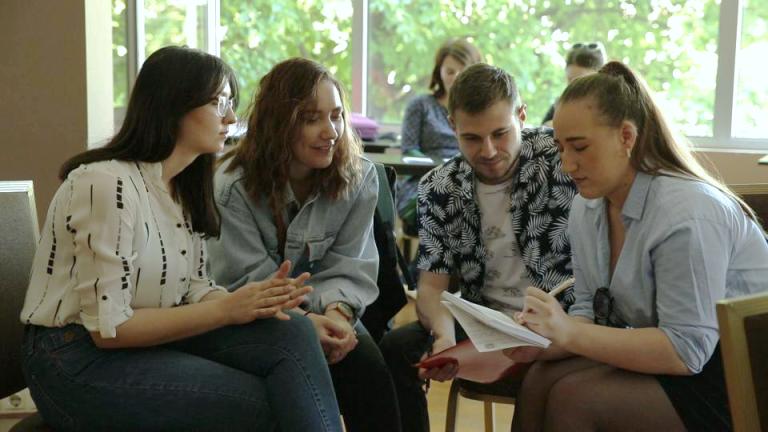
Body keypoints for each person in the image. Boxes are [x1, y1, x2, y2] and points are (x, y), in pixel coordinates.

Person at [18, 46, 342, 431]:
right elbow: (110, 329)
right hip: (73, 361)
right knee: (268, 404)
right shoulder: (104, 183)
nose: (231, 117)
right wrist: (228, 309)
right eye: (219, 102)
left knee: (293, 331)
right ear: (173, 106)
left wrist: (265, 306)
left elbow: (195, 289)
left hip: (146, 345)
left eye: (231, 104)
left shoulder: (180, 188)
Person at [507, 61, 768, 432]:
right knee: (539, 377)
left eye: (579, 147)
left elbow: (687, 350)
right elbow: (589, 311)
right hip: (681, 359)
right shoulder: (588, 204)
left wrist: (569, 333)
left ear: (626, 137)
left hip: (739, 374)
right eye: (561, 148)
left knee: (575, 398)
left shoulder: (687, 213)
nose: (567, 165)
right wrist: (544, 341)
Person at [379, 63, 578, 432]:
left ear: (521, 116)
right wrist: (443, 336)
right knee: (395, 349)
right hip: (482, 323)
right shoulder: (440, 187)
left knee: (553, 379)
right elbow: (432, 287)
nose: (488, 151)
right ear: (453, 126)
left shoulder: (562, 163)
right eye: (471, 138)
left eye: (500, 134)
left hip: (559, 323)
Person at [207, 57, 401, 432]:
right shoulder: (231, 187)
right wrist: (307, 323)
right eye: (312, 118)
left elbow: (351, 266)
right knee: (300, 368)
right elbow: (245, 280)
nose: (330, 131)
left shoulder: (358, 178)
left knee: (370, 371)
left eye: (336, 115)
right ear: (279, 123)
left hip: (330, 309)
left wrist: (338, 317)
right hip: (253, 314)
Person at [397, 37, 483, 236]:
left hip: (470, 181)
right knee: (448, 212)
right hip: (422, 180)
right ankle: (424, 266)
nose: (456, 77)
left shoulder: (482, 111)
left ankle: (424, 266)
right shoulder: (419, 105)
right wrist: (442, 173)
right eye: (450, 71)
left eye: (463, 71)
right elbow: (409, 149)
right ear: (439, 73)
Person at [540, 41, 607, 127]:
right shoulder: (559, 106)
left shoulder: (611, 110)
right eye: (570, 80)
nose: (574, 87)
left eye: (582, 82)